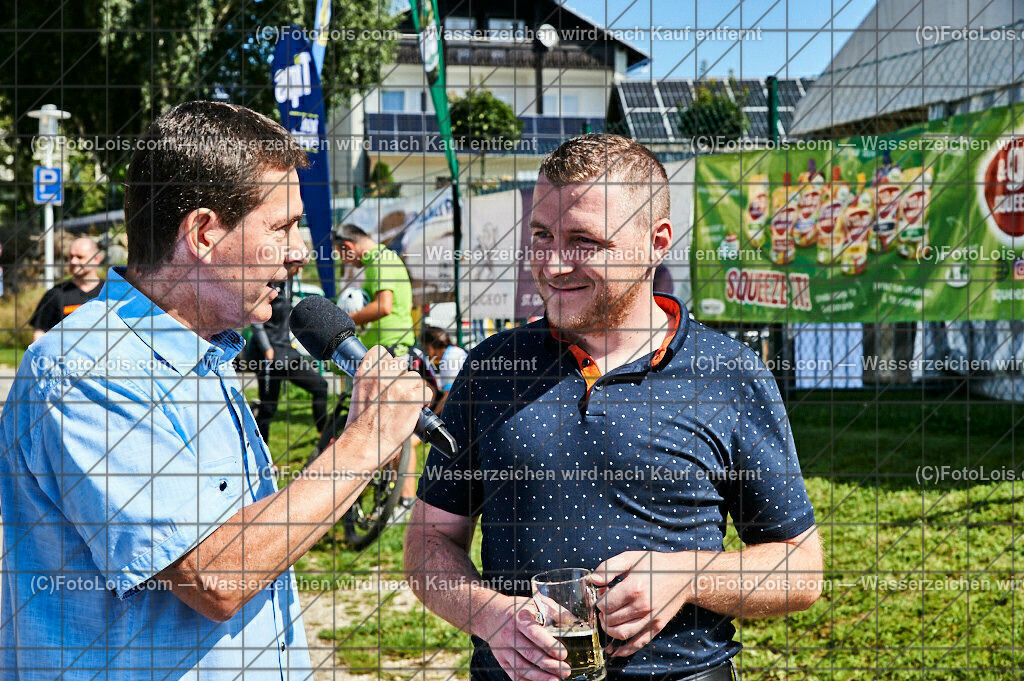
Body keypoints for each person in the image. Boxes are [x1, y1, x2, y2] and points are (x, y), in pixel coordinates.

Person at [0, 101, 427, 680]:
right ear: (203, 233)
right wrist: (367, 439)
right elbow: (217, 576)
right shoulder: (87, 367)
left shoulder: (204, 354)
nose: (300, 251)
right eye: (282, 227)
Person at [405, 133, 823, 681]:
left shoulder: (727, 374)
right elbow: (429, 542)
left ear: (656, 242)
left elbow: (800, 567)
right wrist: (490, 615)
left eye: (584, 240)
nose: (553, 265)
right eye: (541, 235)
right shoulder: (492, 369)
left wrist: (688, 576)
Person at [333, 222, 419, 510]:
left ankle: (404, 499)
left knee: (396, 428)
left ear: (348, 247)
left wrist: (346, 321)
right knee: (390, 425)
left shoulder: (378, 261)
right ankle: (399, 497)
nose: (346, 262)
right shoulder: (382, 259)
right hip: (390, 348)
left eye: (341, 255)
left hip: (391, 349)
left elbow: (384, 306)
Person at [250, 262, 329, 441]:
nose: (300, 270)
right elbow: (256, 320)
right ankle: (260, 453)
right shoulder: (267, 282)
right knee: (268, 408)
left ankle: (325, 437)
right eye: (297, 266)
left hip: (286, 352)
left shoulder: (288, 282)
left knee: (320, 386)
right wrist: (267, 349)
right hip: (268, 354)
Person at [29, 236, 105, 341]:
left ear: (96, 259)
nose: (73, 261)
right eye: (70, 257)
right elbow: (40, 334)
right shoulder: (55, 294)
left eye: (80, 257)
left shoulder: (110, 291)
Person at [420, 325, 467, 413]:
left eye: (425, 347)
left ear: (430, 346)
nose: (427, 352)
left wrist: (433, 416)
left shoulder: (451, 356)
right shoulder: (452, 353)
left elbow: (449, 394)